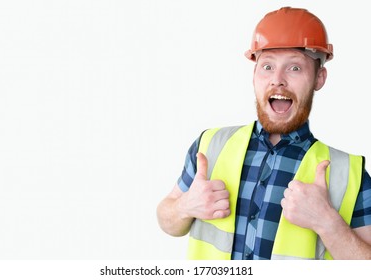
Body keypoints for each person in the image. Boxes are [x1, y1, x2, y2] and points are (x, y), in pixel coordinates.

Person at [156, 7, 371, 260]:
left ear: (319, 78)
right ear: (254, 75)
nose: (277, 80)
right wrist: (184, 207)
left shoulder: (349, 173)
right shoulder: (211, 145)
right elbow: (166, 218)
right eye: (267, 66)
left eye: (295, 68)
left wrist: (327, 223)